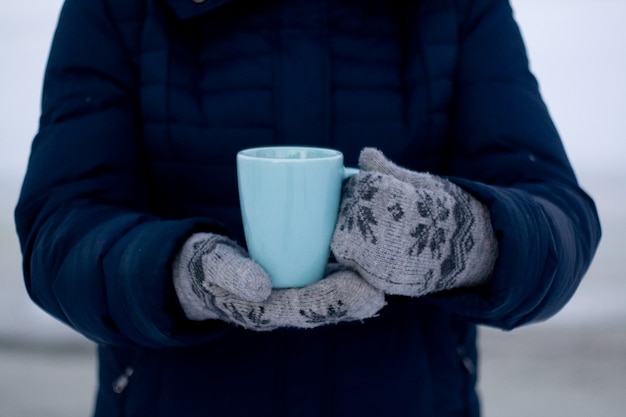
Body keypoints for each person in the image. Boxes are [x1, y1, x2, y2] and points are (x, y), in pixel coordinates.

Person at [14, 0, 601, 415]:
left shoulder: (456, 7)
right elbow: (60, 226)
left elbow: (559, 215)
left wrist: (463, 241)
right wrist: (178, 276)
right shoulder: (120, 8)